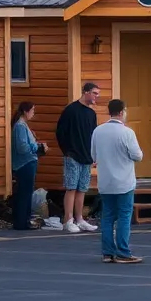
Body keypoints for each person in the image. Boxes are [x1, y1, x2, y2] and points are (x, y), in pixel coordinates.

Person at [90, 99, 143, 263]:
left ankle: (107, 252)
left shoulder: (98, 131)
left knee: (107, 217)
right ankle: (123, 252)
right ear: (121, 112)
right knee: (124, 216)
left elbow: (94, 155)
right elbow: (137, 156)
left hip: (106, 181)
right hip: (124, 181)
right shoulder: (127, 133)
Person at [55, 82, 101, 234]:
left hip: (87, 156)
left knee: (82, 188)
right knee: (71, 187)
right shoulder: (71, 110)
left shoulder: (91, 114)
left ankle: (80, 219)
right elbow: (60, 132)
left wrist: (95, 154)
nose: (97, 96)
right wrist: (67, 151)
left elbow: (94, 136)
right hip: (73, 155)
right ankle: (68, 220)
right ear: (86, 92)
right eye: (95, 93)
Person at [11, 101, 48, 230]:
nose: (33, 113)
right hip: (25, 163)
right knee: (24, 193)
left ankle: (24, 219)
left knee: (26, 192)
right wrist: (37, 146)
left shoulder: (23, 125)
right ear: (26, 111)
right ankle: (21, 221)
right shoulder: (20, 126)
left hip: (28, 162)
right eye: (32, 111)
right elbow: (22, 147)